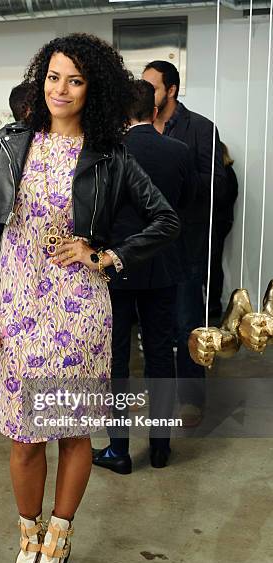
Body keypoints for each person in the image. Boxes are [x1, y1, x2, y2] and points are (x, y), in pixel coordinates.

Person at [0, 33, 180, 563]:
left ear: (95, 89)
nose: (60, 89)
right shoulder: (11, 143)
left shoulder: (109, 154)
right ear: (42, 78)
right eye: (54, 76)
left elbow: (166, 220)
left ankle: (57, 543)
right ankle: (28, 535)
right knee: (22, 433)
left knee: (71, 427)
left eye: (75, 80)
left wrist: (106, 254)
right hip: (16, 302)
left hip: (79, 307)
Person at [92, 79, 193, 473]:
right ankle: (161, 445)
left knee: (116, 359)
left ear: (120, 115)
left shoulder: (105, 153)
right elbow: (182, 205)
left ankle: (118, 450)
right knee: (159, 356)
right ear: (155, 110)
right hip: (164, 264)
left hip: (115, 267)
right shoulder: (179, 152)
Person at [143, 60, 227, 423]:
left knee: (187, 322)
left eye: (153, 87)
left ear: (171, 90)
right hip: (144, 247)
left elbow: (217, 186)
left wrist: (175, 182)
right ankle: (157, 398)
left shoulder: (201, 128)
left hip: (185, 245)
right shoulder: (136, 128)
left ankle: (191, 398)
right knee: (151, 328)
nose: (146, 94)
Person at [208, 142, 238, 317]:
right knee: (213, 264)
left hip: (217, 224)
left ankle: (213, 304)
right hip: (221, 223)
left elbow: (222, 199)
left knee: (212, 265)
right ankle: (213, 303)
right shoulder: (228, 173)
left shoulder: (223, 174)